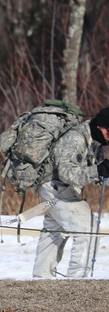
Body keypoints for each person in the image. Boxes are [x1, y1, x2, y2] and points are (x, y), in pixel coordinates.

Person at [32, 107, 109, 278]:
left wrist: (103, 171)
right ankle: (77, 280)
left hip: (62, 191)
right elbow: (66, 174)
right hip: (56, 189)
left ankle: (40, 280)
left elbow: (96, 174)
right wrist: (98, 171)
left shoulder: (94, 143)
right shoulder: (75, 138)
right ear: (99, 126)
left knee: (54, 233)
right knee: (88, 228)